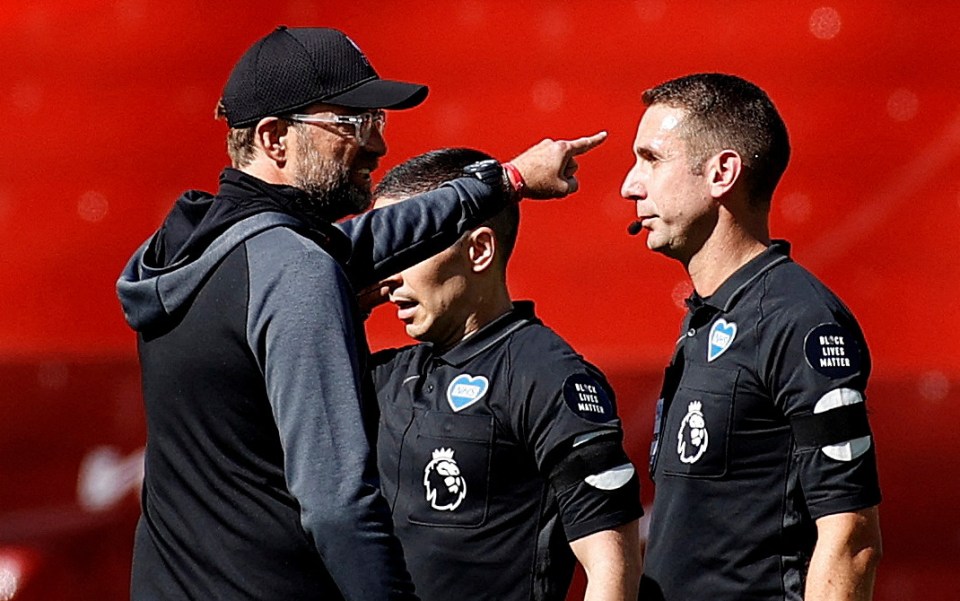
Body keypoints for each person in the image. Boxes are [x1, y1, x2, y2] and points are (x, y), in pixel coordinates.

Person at [116, 26, 604, 601]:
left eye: (377, 123)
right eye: (351, 124)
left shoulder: (186, 249)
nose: (376, 147)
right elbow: (337, 505)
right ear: (275, 139)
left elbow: (365, 241)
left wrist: (507, 180)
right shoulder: (292, 268)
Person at [620, 73, 882, 600]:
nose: (630, 184)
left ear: (722, 172)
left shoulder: (800, 320)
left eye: (651, 159)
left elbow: (851, 533)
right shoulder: (711, 314)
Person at [368, 148, 643, 601]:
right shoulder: (388, 375)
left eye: (406, 249)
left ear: (478, 250)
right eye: (381, 251)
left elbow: (612, 569)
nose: (388, 275)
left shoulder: (547, 376)